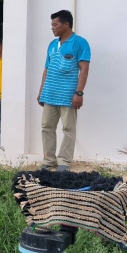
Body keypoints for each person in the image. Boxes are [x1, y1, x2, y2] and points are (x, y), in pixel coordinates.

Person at [37, 10, 90, 172]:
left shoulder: (80, 43)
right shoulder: (52, 45)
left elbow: (84, 69)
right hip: (50, 94)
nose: (52, 28)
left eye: (55, 24)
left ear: (66, 24)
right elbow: (46, 69)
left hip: (68, 96)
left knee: (68, 128)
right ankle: (49, 160)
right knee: (46, 127)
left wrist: (79, 93)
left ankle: (64, 162)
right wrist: (41, 92)